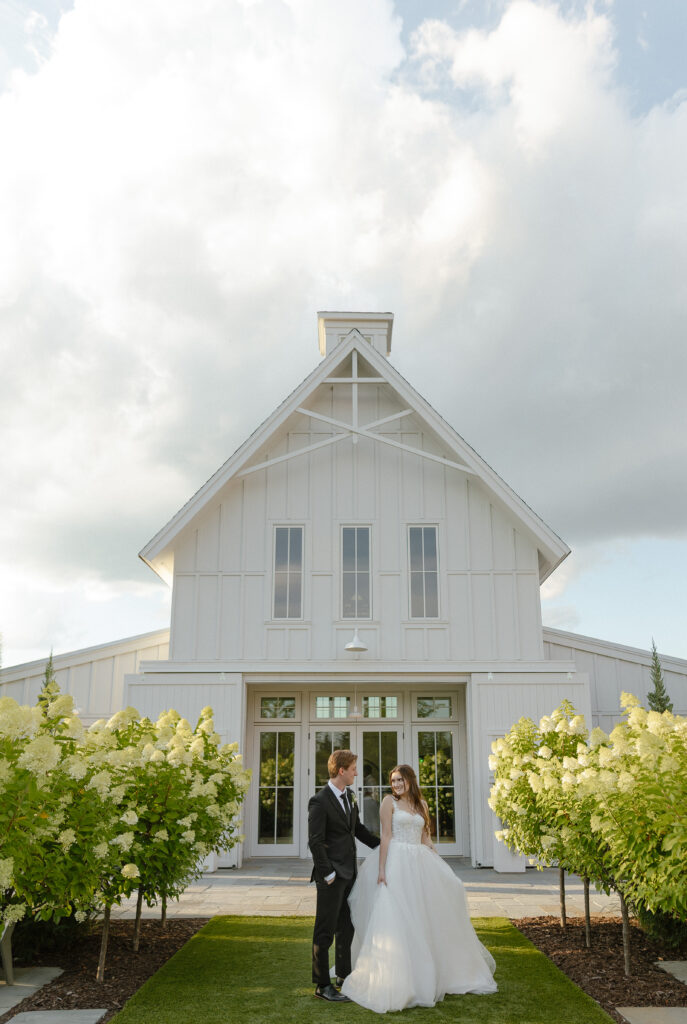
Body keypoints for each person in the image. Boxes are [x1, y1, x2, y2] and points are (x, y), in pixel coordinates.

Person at [341, 764, 497, 1013]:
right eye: (393, 780)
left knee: (424, 915)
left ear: (410, 780)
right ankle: (397, 979)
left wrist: (442, 866)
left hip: (420, 864)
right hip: (396, 863)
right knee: (397, 916)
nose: (396, 784)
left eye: (400, 780)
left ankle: (429, 973)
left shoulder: (422, 806)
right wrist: (381, 869)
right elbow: (386, 836)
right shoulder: (388, 802)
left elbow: (426, 839)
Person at [308, 749, 381, 1002]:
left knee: (346, 927)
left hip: (350, 872)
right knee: (325, 929)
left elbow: (357, 829)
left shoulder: (349, 796)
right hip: (330, 875)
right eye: (353, 769)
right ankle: (322, 986)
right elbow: (315, 842)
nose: (356, 773)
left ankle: (343, 975)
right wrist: (327, 874)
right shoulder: (319, 801)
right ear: (341, 771)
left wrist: (382, 846)